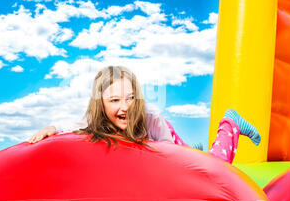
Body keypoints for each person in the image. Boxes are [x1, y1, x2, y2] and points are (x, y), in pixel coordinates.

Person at [27, 66, 260, 164]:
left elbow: (170, 154)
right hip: (157, 139)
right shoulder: (95, 119)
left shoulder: (150, 115)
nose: (125, 106)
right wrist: (52, 128)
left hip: (162, 138)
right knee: (190, 154)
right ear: (100, 104)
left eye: (130, 98)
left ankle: (230, 123)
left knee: (214, 165)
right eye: (115, 100)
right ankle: (194, 150)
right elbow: (73, 125)